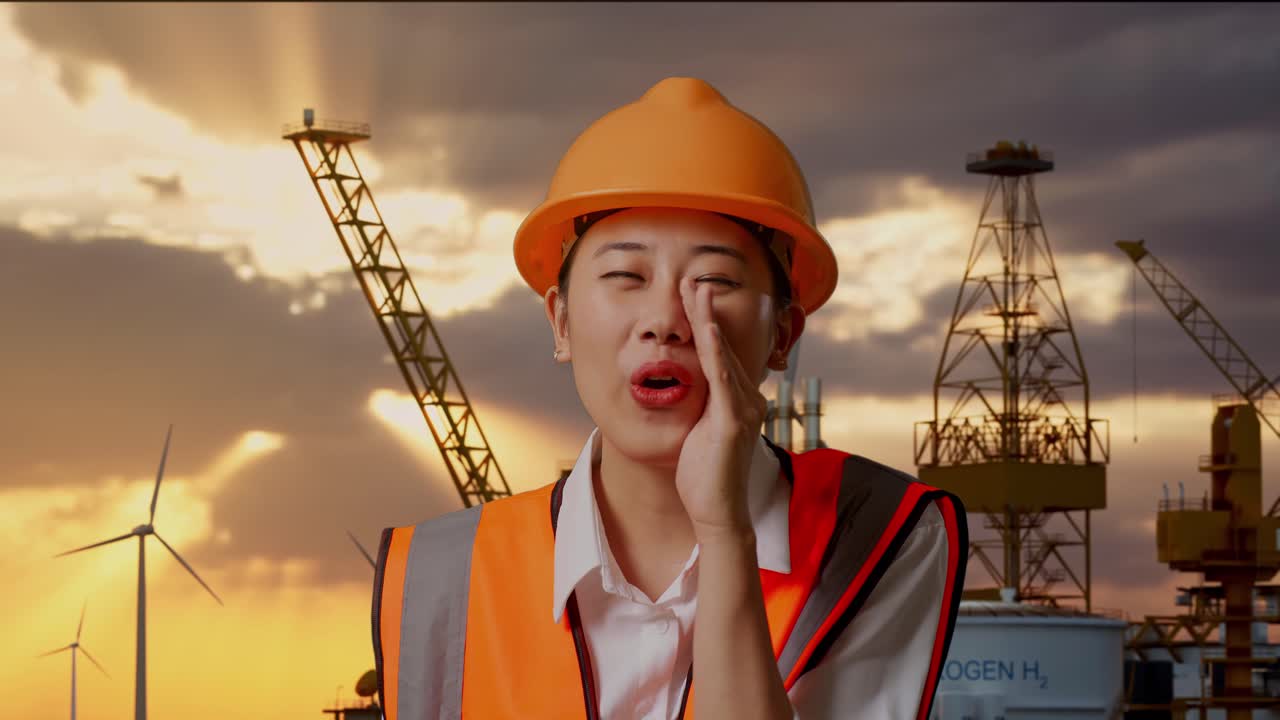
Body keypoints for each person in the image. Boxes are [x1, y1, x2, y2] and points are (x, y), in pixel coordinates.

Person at [372, 77, 967, 720]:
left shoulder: (880, 533)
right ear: (562, 322)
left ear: (782, 335)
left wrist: (725, 534)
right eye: (625, 276)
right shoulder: (439, 575)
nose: (666, 320)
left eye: (713, 280)